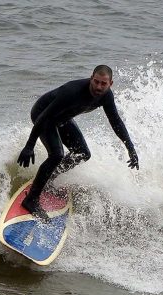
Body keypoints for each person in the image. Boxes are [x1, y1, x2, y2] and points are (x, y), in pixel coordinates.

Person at [17, 65, 139, 218]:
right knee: (56, 155)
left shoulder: (106, 96)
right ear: (91, 78)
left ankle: (48, 179)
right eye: (96, 81)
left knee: (82, 153)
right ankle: (31, 200)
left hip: (63, 118)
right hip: (43, 115)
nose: (99, 87)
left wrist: (130, 148)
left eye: (103, 83)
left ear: (110, 84)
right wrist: (29, 146)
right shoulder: (72, 91)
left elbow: (116, 122)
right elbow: (44, 117)